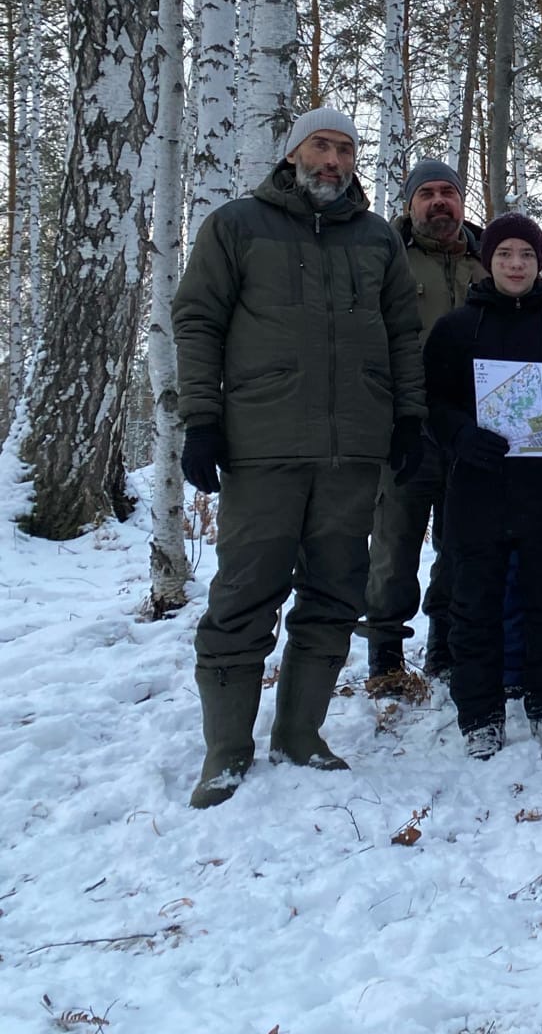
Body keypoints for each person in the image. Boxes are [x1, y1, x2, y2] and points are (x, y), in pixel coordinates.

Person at [173, 106, 425, 808]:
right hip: (264, 444)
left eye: (346, 149)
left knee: (335, 590)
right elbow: (197, 320)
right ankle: (226, 749)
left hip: (353, 451)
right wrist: (202, 419)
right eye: (321, 145)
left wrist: (408, 418)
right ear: (292, 155)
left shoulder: (377, 239)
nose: (334, 159)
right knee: (245, 591)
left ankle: (301, 733)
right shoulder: (237, 226)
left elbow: (403, 333)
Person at [423, 214, 542, 757]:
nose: (515, 264)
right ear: (488, 260)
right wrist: (461, 436)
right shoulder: (457, 328)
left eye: (526, 255)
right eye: (505, 254)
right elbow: (434, 403)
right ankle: (478, 710)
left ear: (540, 262)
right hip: (479, 487)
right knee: (474, 602)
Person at [363, 158, 485, 688]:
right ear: (409, 203)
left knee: (459, 545)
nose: (440, 202)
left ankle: (444, 650)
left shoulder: (488, 260)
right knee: (394, 545)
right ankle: (385, 656)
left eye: (449, 192)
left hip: (470, 429)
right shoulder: (385, 258)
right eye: (427, 193)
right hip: (404, 426)